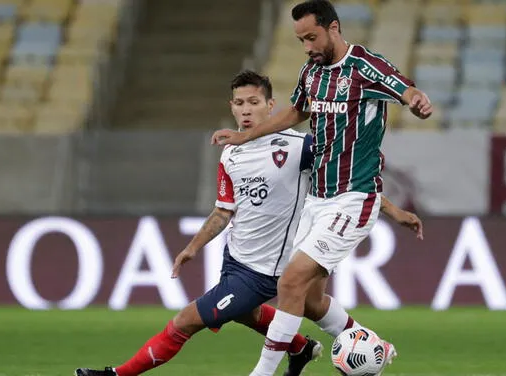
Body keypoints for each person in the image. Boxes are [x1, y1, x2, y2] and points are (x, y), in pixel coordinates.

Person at [76, 69, 423, 376]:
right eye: (239, 103)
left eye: (254, 102)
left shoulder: (300, 147)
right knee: (303, 306)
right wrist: (191, 248)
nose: (245, 109)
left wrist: (394, 213)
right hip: (236, 259)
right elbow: (224, 211)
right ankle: (308, 347)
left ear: (271, 106)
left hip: (265, 271)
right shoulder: (231, 153)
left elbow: (345, 183)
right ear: (231, 107)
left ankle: (116, 374)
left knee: (185, 322)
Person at [210, 2, 432, 376]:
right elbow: (295, 112)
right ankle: (370, 344)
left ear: (334, 28)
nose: (307, 47)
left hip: (353, 198)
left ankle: (262, 373)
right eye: (301, 40)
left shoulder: (364, 66)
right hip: (318, 200)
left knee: (291, 279)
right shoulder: (311, 71)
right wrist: (246, 136)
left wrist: (415, 100)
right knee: (311, 300)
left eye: (311, 37)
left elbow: (403, 88)